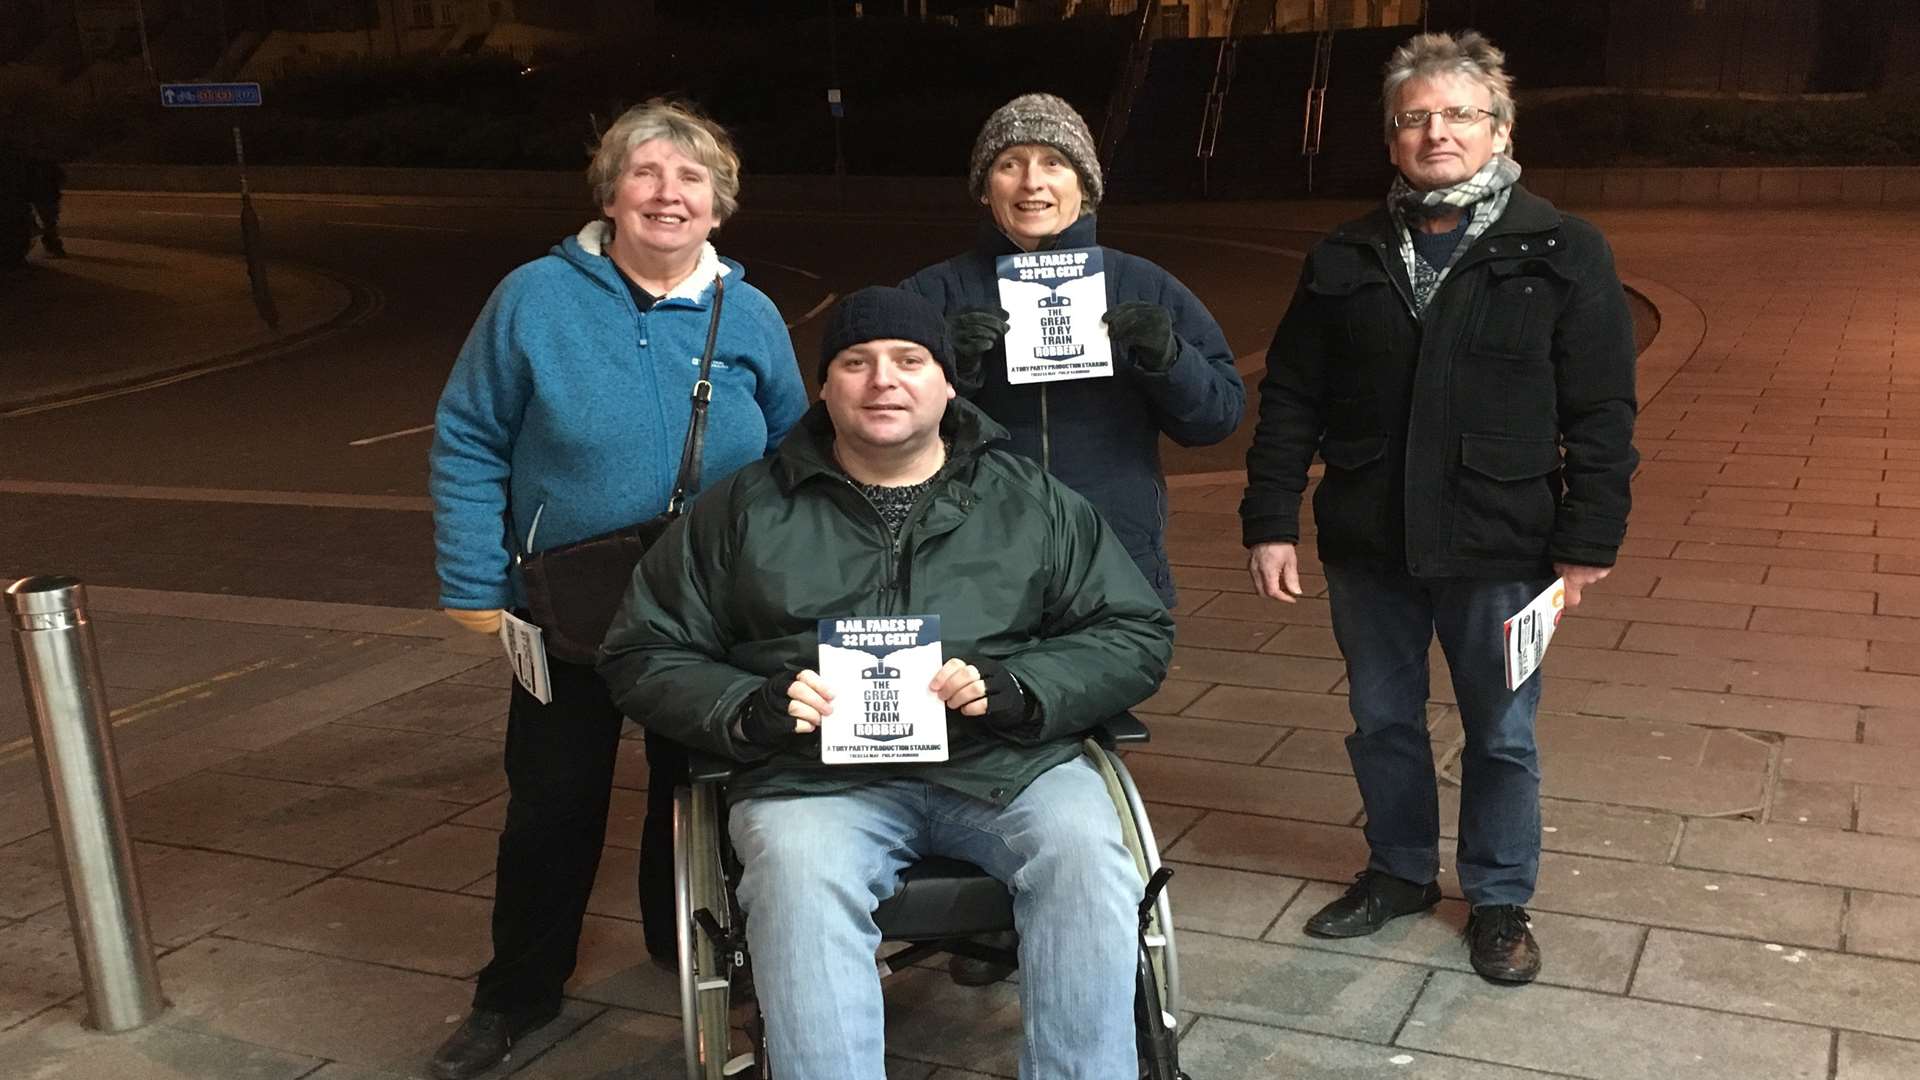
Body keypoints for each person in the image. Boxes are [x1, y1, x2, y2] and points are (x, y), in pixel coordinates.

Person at [599, 286, 1175, 1080]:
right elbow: (642, 648)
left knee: (1086, 851)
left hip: (1002, 761)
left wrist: (1025, 686)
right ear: (825, 387)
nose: (883, 381)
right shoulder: (743, 507)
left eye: (910, 361)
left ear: (946, 384)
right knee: (798, 875)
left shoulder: (1030, 500)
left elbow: (1134, 629)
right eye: (855, 362)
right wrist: (746, 706)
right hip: (813, 776)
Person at [1240, 31, 1637, 986]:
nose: (1436, 131)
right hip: (1371, 541)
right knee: (1381, 716)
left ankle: (1499, 898)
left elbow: (1602, 407)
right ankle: (1400, 873)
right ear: (1390, 140)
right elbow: (1291, 393)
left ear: (1500, 130)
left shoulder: (1562, 248)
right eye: (1415, 117)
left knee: (1501, 729)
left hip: (1505, 545)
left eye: (1459, 113)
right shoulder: (1346, 254)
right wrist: (1269, 517)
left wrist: (1588, 539)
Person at [426, 99, 807, 1078]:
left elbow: (800, 457)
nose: (668, 194)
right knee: (551, 807)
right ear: (610, 194)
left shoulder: (750, 313)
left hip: (710, 612)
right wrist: (473, 576)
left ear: (719, 205)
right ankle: (516, 995)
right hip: (568, 604)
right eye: (647, 173)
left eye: (691, 179)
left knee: (703, 794)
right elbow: (470, 436)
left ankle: (686, 952)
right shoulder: (533, 299)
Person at [901, 92, 1245, 609]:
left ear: (1084, 185)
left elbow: (1217, 417)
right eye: (1009, 164)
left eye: (1054, 163)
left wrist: (1168, 359)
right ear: (983, 189)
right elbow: (875, 433)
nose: (1031, 183)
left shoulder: (1141, 283)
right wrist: (950, 374)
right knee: (983, 693)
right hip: (971, 564)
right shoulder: (930, 295)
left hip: (1113, 557)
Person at [23, 155, 64, 258]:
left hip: (43, 192)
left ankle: (52, 245)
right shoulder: (44, 161)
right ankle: (52, 246)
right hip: (44, 193)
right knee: (48, 222)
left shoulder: (36, 162)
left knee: (47, 222)